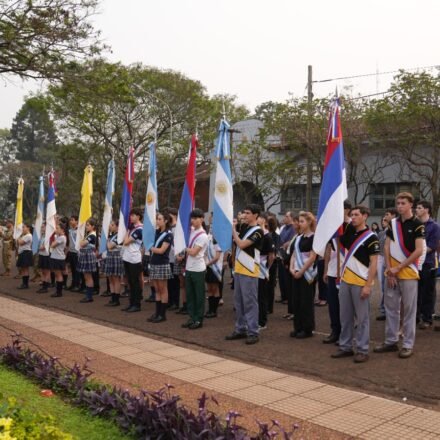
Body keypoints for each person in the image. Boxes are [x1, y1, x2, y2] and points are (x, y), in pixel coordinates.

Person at [374, 192, 425, 359]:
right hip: (393, 273)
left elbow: (418, 250)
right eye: (398, 203)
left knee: (409, 310)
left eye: (403, 203)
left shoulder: (417, 224)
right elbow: (387, 247)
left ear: (411, 204)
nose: (400, 206)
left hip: (409, 273)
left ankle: (408, 345)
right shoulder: (393, 224)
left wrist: (399, 267)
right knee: (391, 308)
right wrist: (390, 270)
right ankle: (391, 341)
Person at [331, 206, 379, 363]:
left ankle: (362, 349)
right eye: (352, 215)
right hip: (346, 281)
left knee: (362, 318)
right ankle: (345, 347)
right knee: (345, 317)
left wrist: (368, 285)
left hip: (360, 281)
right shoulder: (349, 233)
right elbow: (339, 242)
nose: (353, 217)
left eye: (356, 215)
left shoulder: (371, 237)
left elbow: (373, 263)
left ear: (365, 216)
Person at [225, 204, 263, 344]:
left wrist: (233, 231)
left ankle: (253, 331)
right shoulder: (245, 228)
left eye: (248, 213)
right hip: (239, 269)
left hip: (250, 270)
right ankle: (240, 328)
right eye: (244, 212)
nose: (244, 215)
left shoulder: (258, 231)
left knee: (250, 302)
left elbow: (241, 244)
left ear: (255, 215)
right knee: (238, 302)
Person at [322, 200, 352, 344]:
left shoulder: (353, 225)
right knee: (333, 304)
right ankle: (335, 330)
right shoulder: (333, 227)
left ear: (347, 210)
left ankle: (347, 334)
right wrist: (326, 270)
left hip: (348, 271)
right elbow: (329, 249)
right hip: (334, 270)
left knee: (346, 305)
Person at [288, 212, 317, 339]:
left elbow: (312, 257)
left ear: (309, 222)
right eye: (299, 221)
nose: (299, 224)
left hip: (307, 274)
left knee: (306, 301)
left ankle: (307, 328)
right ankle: (297, 327)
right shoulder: (299, 237)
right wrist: (291, 268)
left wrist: (301, 271)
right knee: (296, 300)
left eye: (302, 221)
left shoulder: (314, 238)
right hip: (296, 272)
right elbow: (294, 254)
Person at [181, 209, 209, 329]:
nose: (193, 221)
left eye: (196, 218)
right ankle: (191, 317)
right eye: (192, 218)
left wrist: (183, 247)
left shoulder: (203, 235)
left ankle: (198, 319)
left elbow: (193, 252)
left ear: (202, 219)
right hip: (189, 267)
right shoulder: (191, 231)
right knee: (190, 294)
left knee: (199, 295)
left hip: (198, 268)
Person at [415, 200, 440, 329]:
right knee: (416, 291)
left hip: (428, 263)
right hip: (415, 263)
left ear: (426, 210)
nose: (416, 210)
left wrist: (418, 254)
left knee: (427, 292)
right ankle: (416, 316)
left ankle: (427, 318)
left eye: (419, 208)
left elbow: (433, 245)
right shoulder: (415, 225)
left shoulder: (434, 226)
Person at [148, 212, 173, 323]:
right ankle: (157, 312)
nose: (157, 221)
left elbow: (161, 250)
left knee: (163, 289)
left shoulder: (168, 234)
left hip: (162, 264)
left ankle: (162, 314)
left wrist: (149, 247)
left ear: (166, 221)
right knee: (156, 289)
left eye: (159, 219)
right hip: (154, 263)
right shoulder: (156, 232)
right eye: (157, 219)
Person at [121, 208, 144, 312]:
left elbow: (125, 242)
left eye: (133, 215)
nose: (131, 217)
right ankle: (131, 303)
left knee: (135, 282)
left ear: (138, 216)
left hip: (134, 259)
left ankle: (137, 304)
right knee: (130, 281)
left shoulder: (140, 229)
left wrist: (127, 231)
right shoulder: (133, 228)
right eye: (131, 215)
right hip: (127, 257)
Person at [256, 212, 275, 329]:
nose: (258, 220)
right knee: (255, 296)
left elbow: (271, 256)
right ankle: (255, 319)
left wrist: (267, 268)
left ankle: (262, 322)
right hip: (253, 266)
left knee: (261, 296)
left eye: (260, 218)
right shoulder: (256, 234)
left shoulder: (267, 236)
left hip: (262, 268)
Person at [103, 220, 124, 307]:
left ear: (118, 227)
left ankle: (116, 299)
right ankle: (112, 297)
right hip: (110, 256)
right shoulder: (112, 236)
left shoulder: (119, 236)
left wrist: (107, 238)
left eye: (112, 225)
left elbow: (109, 246)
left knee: (116, 279)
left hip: (116, 257)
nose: (110, 226)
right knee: (110, 279)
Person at [77, 218, 98, 303]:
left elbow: (82, 244)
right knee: (86, 276)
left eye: (88, 225)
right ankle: (88, 295)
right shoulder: (89, 235)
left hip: (88, 255)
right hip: (85, 255)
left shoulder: (92, 235)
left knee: (88, 276)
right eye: (86, 225)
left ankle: (89, 296)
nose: (86, 227)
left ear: (93, 226)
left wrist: (81, 241)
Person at [277, 212, 296, 303]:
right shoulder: (283, 227)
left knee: (286, 277)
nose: (284, 217)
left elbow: (292, 240)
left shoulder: (294, 228)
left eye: (287, 216)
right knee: (281, 276)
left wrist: (286, 244)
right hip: (281, 253)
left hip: (288, 254)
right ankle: (283, 295)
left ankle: (288, 297)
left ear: (292, 218)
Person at [204, 233, 223, 319]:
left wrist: (207, 263)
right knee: (209, 289)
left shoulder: (218, 240)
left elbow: (217, 257)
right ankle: (210, 309)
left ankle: (214, 311)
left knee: (215, 289)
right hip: (208, 267)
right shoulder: (208, 238)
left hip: (215, 268)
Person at [375, 216, 389, 321]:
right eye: (382, 220)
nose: (383, 222)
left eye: (385, 220)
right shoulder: (381, 233)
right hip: (381, 258)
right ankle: (383, 308)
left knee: (388, 286)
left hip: (389, 260)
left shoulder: (393, 232)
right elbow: (379, 247)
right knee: (382, 285)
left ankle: (386, 309)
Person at [49, 222, 68, 298]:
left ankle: (59, 292)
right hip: (56, 257)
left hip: (58, 258)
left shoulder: (62, 237)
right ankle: (58, 291)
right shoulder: (58, 236)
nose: (56, 230)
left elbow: (52, 245)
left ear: (62, 230)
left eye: (57, 228)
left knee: (58, 275)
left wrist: (53, 241)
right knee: (57, 274)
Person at [266, 215, 280, 315]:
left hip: (271, 263)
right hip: (264, 262)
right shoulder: (266, 234)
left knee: (270, 285)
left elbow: (275, 249)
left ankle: (269, 307)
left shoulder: (275, 236)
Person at [16, 223, 33, 289]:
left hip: (26, 253)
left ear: (28, 228)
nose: (22, 229)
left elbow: (21, 243)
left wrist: (17, 237)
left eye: (24, 227)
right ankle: (24, 283)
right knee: (23, 269)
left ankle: (25, 284)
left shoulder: (28, 235)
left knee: (25, 269)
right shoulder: (24, 235)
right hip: (22, 253)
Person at [36, 223, 51, 293]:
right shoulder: (42, 236)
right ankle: (44, 285)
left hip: (46, 255)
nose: (42, 229)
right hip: (41, 255)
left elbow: (43, 247)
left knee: (46, 272)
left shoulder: (48, 237)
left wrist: (37, 248)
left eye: (43, 227)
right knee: (43, 271)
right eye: (41, 227)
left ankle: (45, 287)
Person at [67, 216, 80, 291]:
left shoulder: (78, 230)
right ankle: (73, 284)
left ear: (77, 221)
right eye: (70, 220)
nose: (71, 221)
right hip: (71, 251)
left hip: (76, 252)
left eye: (72, 220)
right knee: (72, 269)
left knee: (76, 269)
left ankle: (77, 285)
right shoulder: (70, 230)